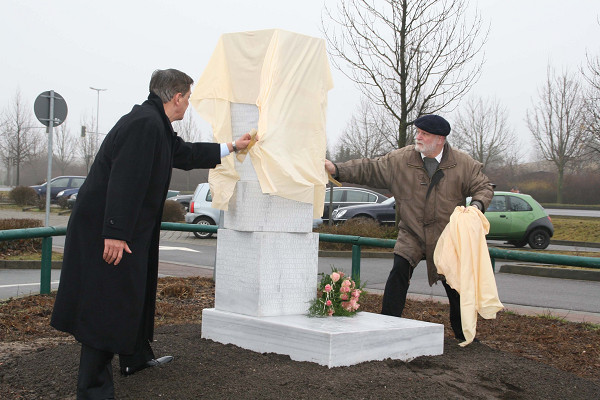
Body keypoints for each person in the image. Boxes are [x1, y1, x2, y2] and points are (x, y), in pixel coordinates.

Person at [50, 68, 252, 399]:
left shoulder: (155, 124)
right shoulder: (145, 125)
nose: (189, 104)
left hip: (125, 229)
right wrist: (115, 233)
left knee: (135, 294)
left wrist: (231, 146)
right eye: (188, 97)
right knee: (108, 302)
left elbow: (185, 154)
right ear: (176, 97)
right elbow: (124, 180)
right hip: (107, 230)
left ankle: (135, 358)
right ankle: (93, 388)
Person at [324, 114, 493, 341]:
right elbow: (370, 168)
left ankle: (465, 336)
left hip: (447, 236)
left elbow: (484, 186)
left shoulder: (463, 164)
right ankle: (386, 327)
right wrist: (337, 169)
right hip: (411, 232)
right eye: (418, 132)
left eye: (424, 134)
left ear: (440, 139)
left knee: (456, 287)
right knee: (398, 273)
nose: (418, 137)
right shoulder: (401, 159)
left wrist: (477, 206)